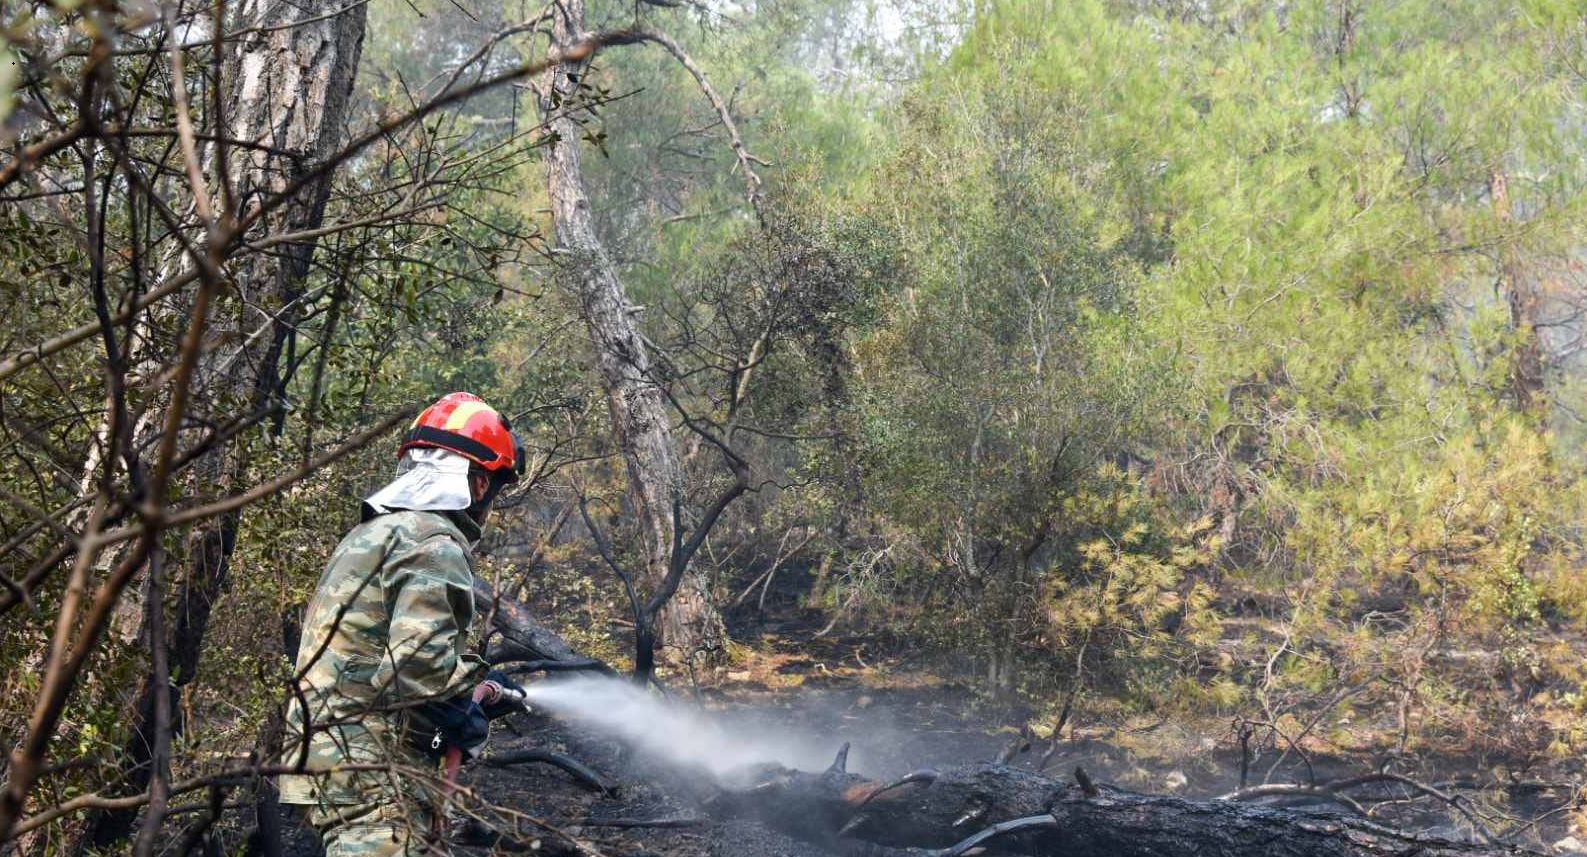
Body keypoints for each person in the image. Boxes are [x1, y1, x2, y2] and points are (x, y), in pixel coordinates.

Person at [279, 392, 529, 856]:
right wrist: (475, 688)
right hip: (369, 762)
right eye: (495, 485)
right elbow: (413, 672)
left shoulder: (374, 534)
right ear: (477, 484)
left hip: (325, 750)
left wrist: (469, 686)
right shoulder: (433, 545)